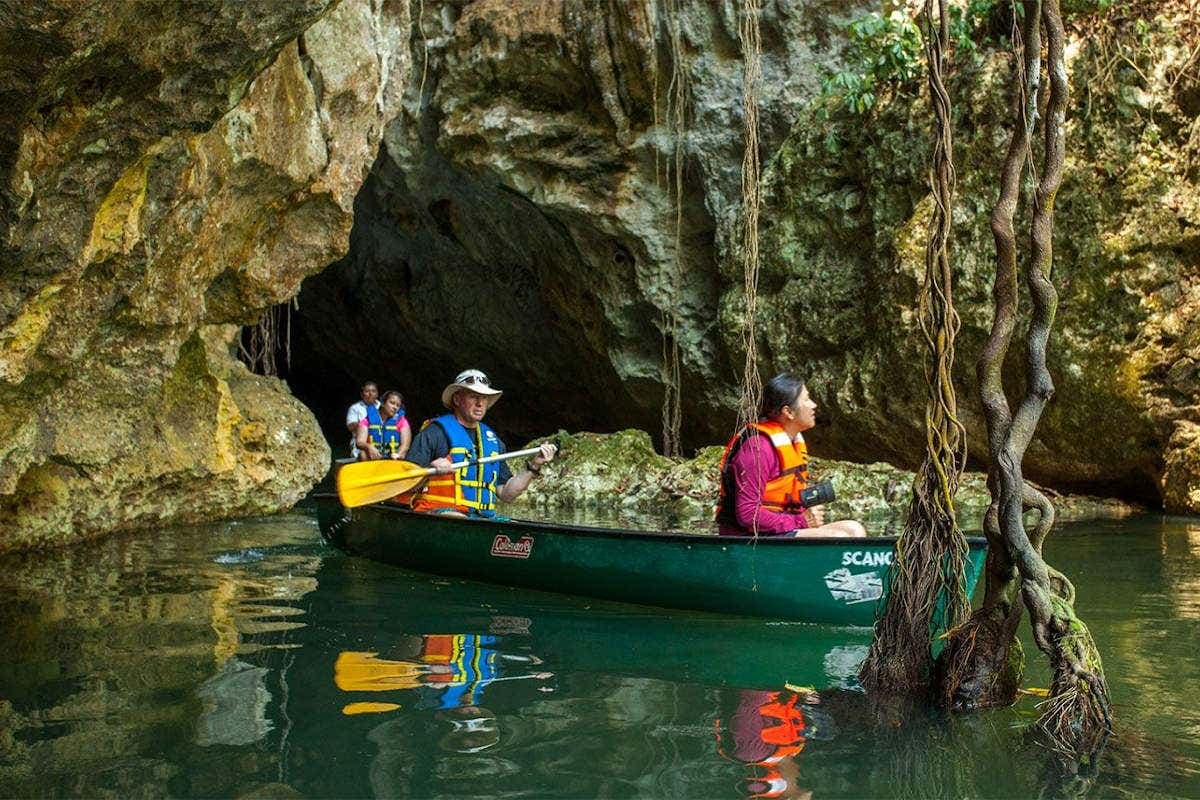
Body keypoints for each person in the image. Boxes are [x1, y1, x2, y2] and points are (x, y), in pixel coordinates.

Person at [716, 373, 866, 538]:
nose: (814, 405)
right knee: (838, 538)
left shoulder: (793, 441)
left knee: (854, 529)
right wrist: (801, 521)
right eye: (807, 400)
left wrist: (803, 515)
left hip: (779, 530)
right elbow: (747, 515)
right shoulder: (758, 450)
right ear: (788, 412)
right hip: (749, 538)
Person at [405, 368, 556, 517]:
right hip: (439, 512)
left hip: (481, 518)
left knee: (516, 530)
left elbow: (506, 494)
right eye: (473, 396)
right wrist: (430, 470)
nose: (480, 403)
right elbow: (406, 484)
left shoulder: (493, 441)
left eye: (484, 398)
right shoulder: (434, 433)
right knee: (457, 518)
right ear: (457, 399)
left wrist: (534, 466)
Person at [356, 390, 411, 461]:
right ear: (383, 403)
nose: (395, 407)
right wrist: (369, 447)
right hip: (373, 457)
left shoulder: (402, 421)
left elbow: (405, 446)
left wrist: (397, 454)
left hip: (393, 457)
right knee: (363, 454)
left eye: (398, 405)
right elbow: (359, 442)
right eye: (392, 403)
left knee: (403, 454)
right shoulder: (367, 420)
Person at [346, 381, 379, 459]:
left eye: (373, 391)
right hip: (360, 444)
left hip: (380, 443)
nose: (370, 394)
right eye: (367, 391)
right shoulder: (355, 408)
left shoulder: (383, 407)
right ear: (362, 394)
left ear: (377, 394)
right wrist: (366, 424)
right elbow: (350, 427)